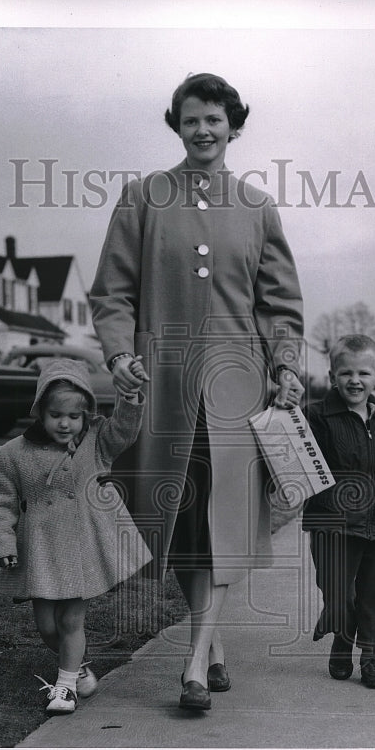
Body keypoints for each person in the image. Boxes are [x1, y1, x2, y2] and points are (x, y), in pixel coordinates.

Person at [90, 73, 304, 711]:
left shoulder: (258, 205)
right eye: (191, 121)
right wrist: (120, 352)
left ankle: (192, 660)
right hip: (164, 388)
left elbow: (281, 303)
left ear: (233, 126)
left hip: (236, 390)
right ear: (177, 127)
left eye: (214, 119)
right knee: (184, 523)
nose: (203, 131)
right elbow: (112, 291)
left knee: (224, 522)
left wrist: (287, 363)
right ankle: (210, 646)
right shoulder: (142, 198)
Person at [0, 358, 152, 714]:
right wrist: (3, 544)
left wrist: (131, 393)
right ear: (40, 412)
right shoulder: (11, 454)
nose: (65, 424)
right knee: (47, 626)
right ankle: (76, 668)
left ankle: (64, 690)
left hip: (82, 547)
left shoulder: (96, 441)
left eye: (74, 417)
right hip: (40, 551)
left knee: (70, 621)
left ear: (85, 416)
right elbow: (1, 504)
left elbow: (124, 428)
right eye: (57, 415)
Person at [303, 335, 375, 689]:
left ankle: (370, 656)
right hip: (333, 523)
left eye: (364, 373)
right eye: (346, 372)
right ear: (332, 374)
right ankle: (341, 633)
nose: (355, 380)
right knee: (338, 593)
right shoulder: (316, 417)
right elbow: (303, 467)